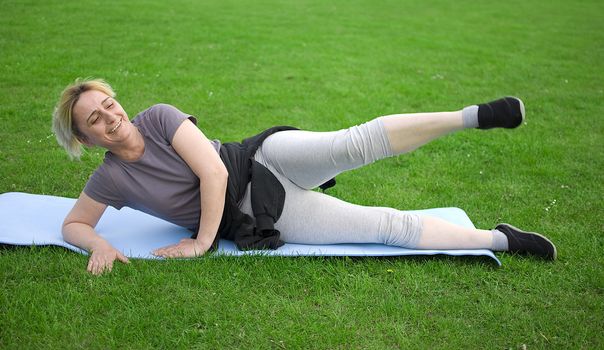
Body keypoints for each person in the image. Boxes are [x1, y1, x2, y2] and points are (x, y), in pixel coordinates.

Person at [52, 78, 557, 275]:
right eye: (94, 119)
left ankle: (472, 115)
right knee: (384, 227)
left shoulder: (159, 116)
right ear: (87, 140)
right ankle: (502, 239)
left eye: (108, 104)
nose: (109, 116)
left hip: (258, 159)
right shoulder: (110, 180)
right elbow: (73, 223)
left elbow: (210, 169)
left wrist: (200, 242)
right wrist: (96, 242)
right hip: (258, 212)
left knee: (351, 142)